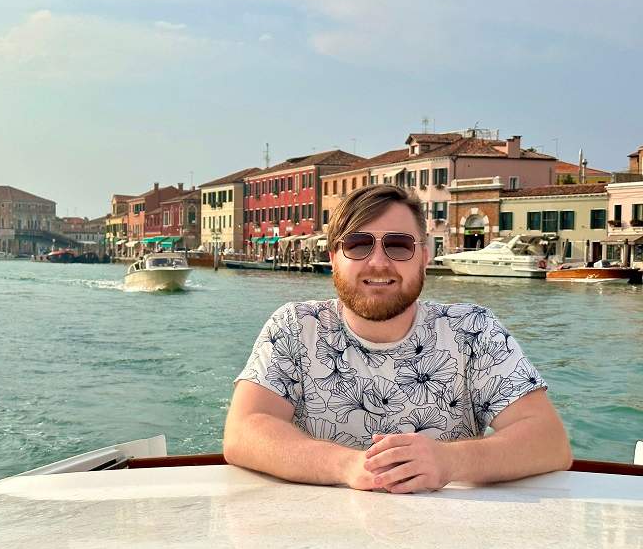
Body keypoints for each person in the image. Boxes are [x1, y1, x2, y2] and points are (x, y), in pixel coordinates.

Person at [223, 185, 572, 493]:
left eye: (398, 245)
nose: (378, 262)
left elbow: (549, 440)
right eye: (358, 244)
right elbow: (244, 431)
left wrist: (448, 461)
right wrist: (347, 466)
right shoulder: (296, 326)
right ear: (333, 259)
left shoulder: (474, 330)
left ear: (423, 256)